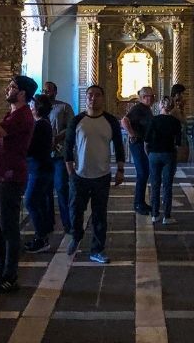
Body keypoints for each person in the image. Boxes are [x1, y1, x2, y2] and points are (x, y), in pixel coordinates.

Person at [0, 74, 36, 293]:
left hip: (11, 177)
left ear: (22, 93)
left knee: (8, 227)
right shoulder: (13, 113)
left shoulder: (23, 115)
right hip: (0, 176)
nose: (8, 90)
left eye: (12, 87)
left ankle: (10, 274)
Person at [65, 84, 125, 263]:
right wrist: (70, 172)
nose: (93, 98)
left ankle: (97, 249)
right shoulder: (77, 120)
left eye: (97, 95)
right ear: (86, 97)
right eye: (90, 95)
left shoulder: (110, 121)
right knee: (75, 210)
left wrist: (120, 170)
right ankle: (76, 236)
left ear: (103, 98)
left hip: (101, 175)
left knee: (100, 214)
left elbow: (119, 146)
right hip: (80, 174)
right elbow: (68, 147)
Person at [43, 81, 75, 234]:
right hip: (43, 155)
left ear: (55, 92)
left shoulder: (64, 107)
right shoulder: (39, 108)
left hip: (59, 153)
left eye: (49, 90)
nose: (46, 93)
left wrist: (56, 138)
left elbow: (71, 127)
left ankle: (68, 223)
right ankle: (48, 223)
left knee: (61, 187)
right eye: (44, 90)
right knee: (45, 190)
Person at [144, 95, 182, 225]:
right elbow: (178, 143)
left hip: (154, 154)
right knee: (167, 186)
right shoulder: (175, 122)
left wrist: (149, 154)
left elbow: (146, 140)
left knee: (155, 185)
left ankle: (155, 214)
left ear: (160, 105)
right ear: (171, 107)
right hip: (169, 154)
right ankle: (167, 216)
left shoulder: (153, 120)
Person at [24, 94, 54, 253]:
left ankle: (41, 237)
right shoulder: (41, 123)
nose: (30, 107)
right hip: (41, 167)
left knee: (30, 201)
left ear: (37, 108)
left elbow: (31, 147)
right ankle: (43, 234)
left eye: (31, 104)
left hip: (39, 169)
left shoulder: (40, 125)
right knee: (39, 202)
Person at [120, 86, 156, 215]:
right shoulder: (138, 109)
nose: (153, 99)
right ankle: (138, 204)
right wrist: (132, 134)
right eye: (151, 96)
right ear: (144, 97)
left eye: (153, 96)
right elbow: (124, 120)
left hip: (143, 143)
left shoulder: (145, 109)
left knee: (144, 172)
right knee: (142, 173)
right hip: (138, 144)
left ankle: (141, 202)